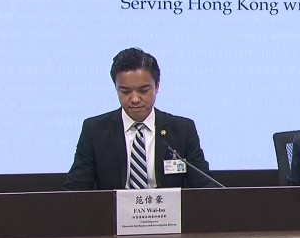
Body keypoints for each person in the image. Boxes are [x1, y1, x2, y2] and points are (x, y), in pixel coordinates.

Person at [64, 48, 216, 190]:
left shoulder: (183, 129)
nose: (135, 99)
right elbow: (76, 188)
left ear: (157, 86)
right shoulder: (94, 130)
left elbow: (204, 185)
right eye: (125, 91)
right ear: (116, 88)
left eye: (143, 90)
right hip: (113, 210)